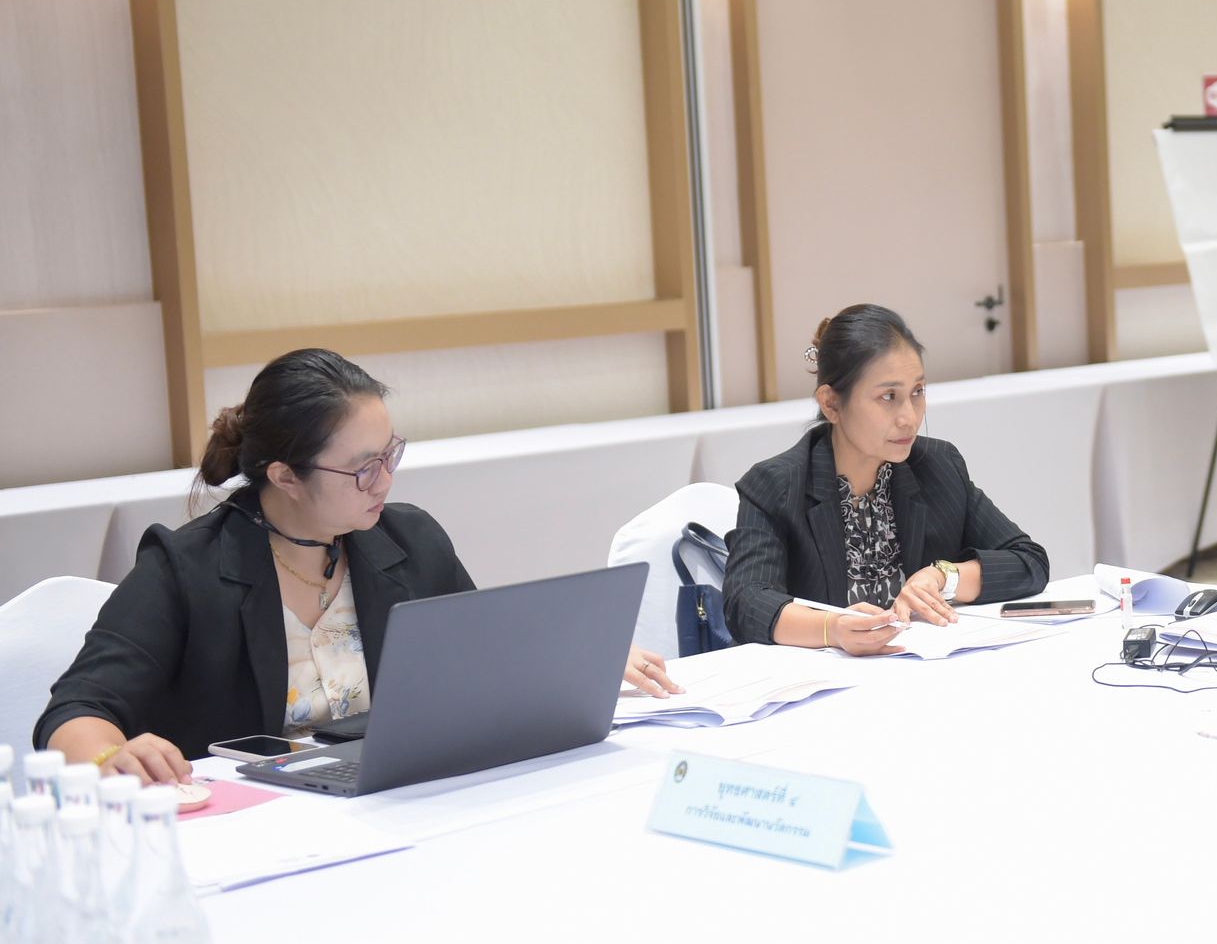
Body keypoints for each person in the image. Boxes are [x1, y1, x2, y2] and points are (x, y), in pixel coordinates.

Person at [33, 348, 677, 784]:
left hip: (391, 802)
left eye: (390, 454)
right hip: (259, 827)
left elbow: (477, 657)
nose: (385, 481)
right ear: (285, 475)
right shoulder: (185, 568)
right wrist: (113, 755)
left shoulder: (408, 539)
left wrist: (572, 657)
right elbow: (73, 712)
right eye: (363, 468)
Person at [723, 305, 1049, 654]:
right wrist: (831, 629)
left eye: (917, 392)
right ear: (831, 404)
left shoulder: (937, 466)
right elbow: (745, 603)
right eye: (888, 397)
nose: (909, 418)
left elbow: (1029, 561)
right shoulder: (776, 485)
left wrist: (943, 576)